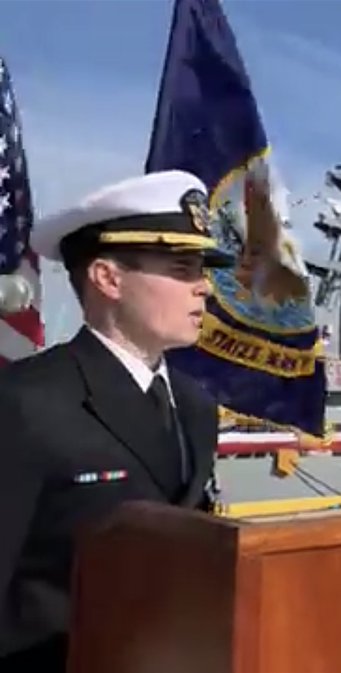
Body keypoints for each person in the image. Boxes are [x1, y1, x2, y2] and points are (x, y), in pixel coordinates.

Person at [0, 170, 234, 671]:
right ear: (108, 278)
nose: (204, 289)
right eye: (182, 269)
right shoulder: (26, 402)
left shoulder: (195, 407)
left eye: (203, 269)